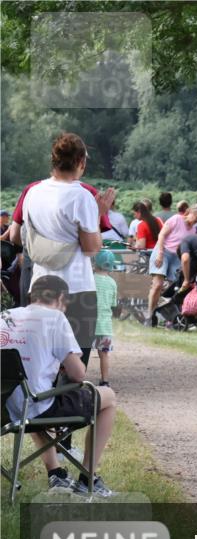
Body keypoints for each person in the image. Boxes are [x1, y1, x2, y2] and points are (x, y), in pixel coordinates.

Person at [1, 276, 118, 497]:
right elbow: (77, 374)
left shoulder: (5, 316)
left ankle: (57, 474)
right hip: (33, 408)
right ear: (62, 298)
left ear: (30, 296)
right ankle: (87, 477)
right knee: (108, 397)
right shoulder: (55, 318)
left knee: (33, 394)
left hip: (5, 408)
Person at [7, 132, 114, 367]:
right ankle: (68, 403)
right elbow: (91, 248)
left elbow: (18, 235)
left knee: (41, 358)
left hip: (40, 284)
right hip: (75, 289)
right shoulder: (81, 196)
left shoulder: (32, 193)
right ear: (81, 162)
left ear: (53, 161)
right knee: (75, 360)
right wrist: (98, 214)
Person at [147, 200, 191, 325]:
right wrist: (160, 253)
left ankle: (169, 316)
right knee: (157, 284)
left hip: (177, 256)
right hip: (163, 251)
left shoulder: (195, 228)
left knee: (174, 288)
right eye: (195, 217)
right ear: (188, 212)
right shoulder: (176, 218)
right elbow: (161, 235)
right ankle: (149, 315)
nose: (196, 220)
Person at [92, 250, 118, 387]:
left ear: (95, 263)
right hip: (105, 325)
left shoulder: (90, 279)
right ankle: (105, 381)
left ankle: (76, 379)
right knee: (104, 354)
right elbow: (113, 304)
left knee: (81, 352)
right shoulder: (113, 283)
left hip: (89, 323)